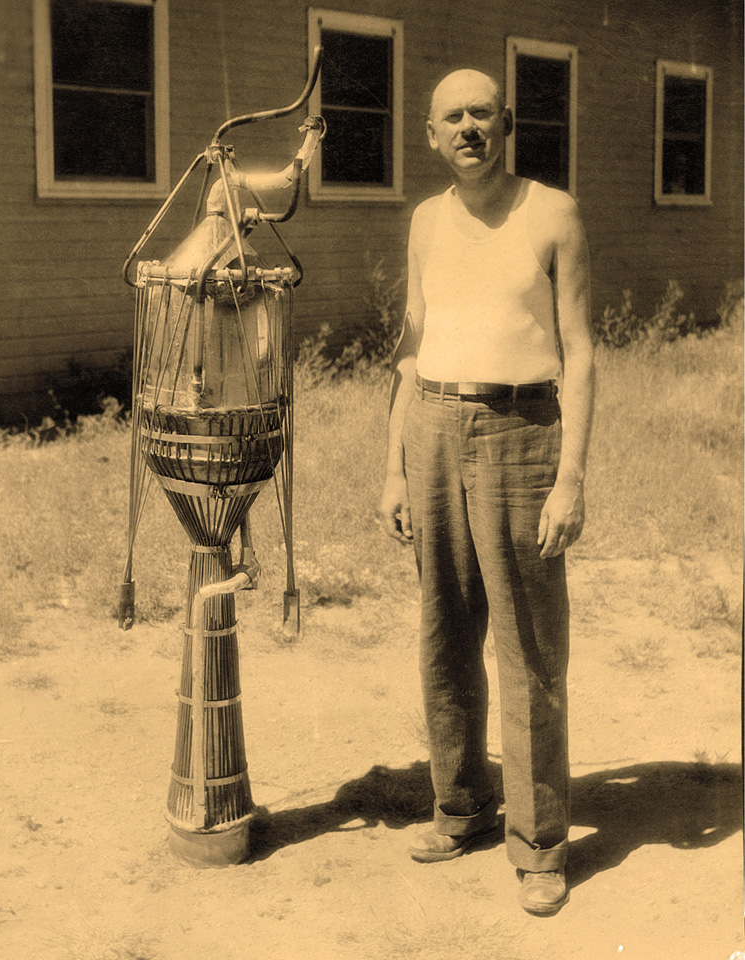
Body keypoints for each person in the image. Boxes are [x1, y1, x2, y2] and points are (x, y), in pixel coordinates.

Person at [377, 68, 595, 917]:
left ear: (505, 124)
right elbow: (410, 349)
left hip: (522, 432)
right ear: (430, 134)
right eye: (451, 117)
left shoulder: (553, 212)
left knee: (528, 647)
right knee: (443, 635)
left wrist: (569, 477)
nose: (467, 127)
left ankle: (539, 845)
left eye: (481, 113)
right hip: (431, 427)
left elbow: (581, 351)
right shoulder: (426, 221)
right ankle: (461, 807)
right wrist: (392, 467)